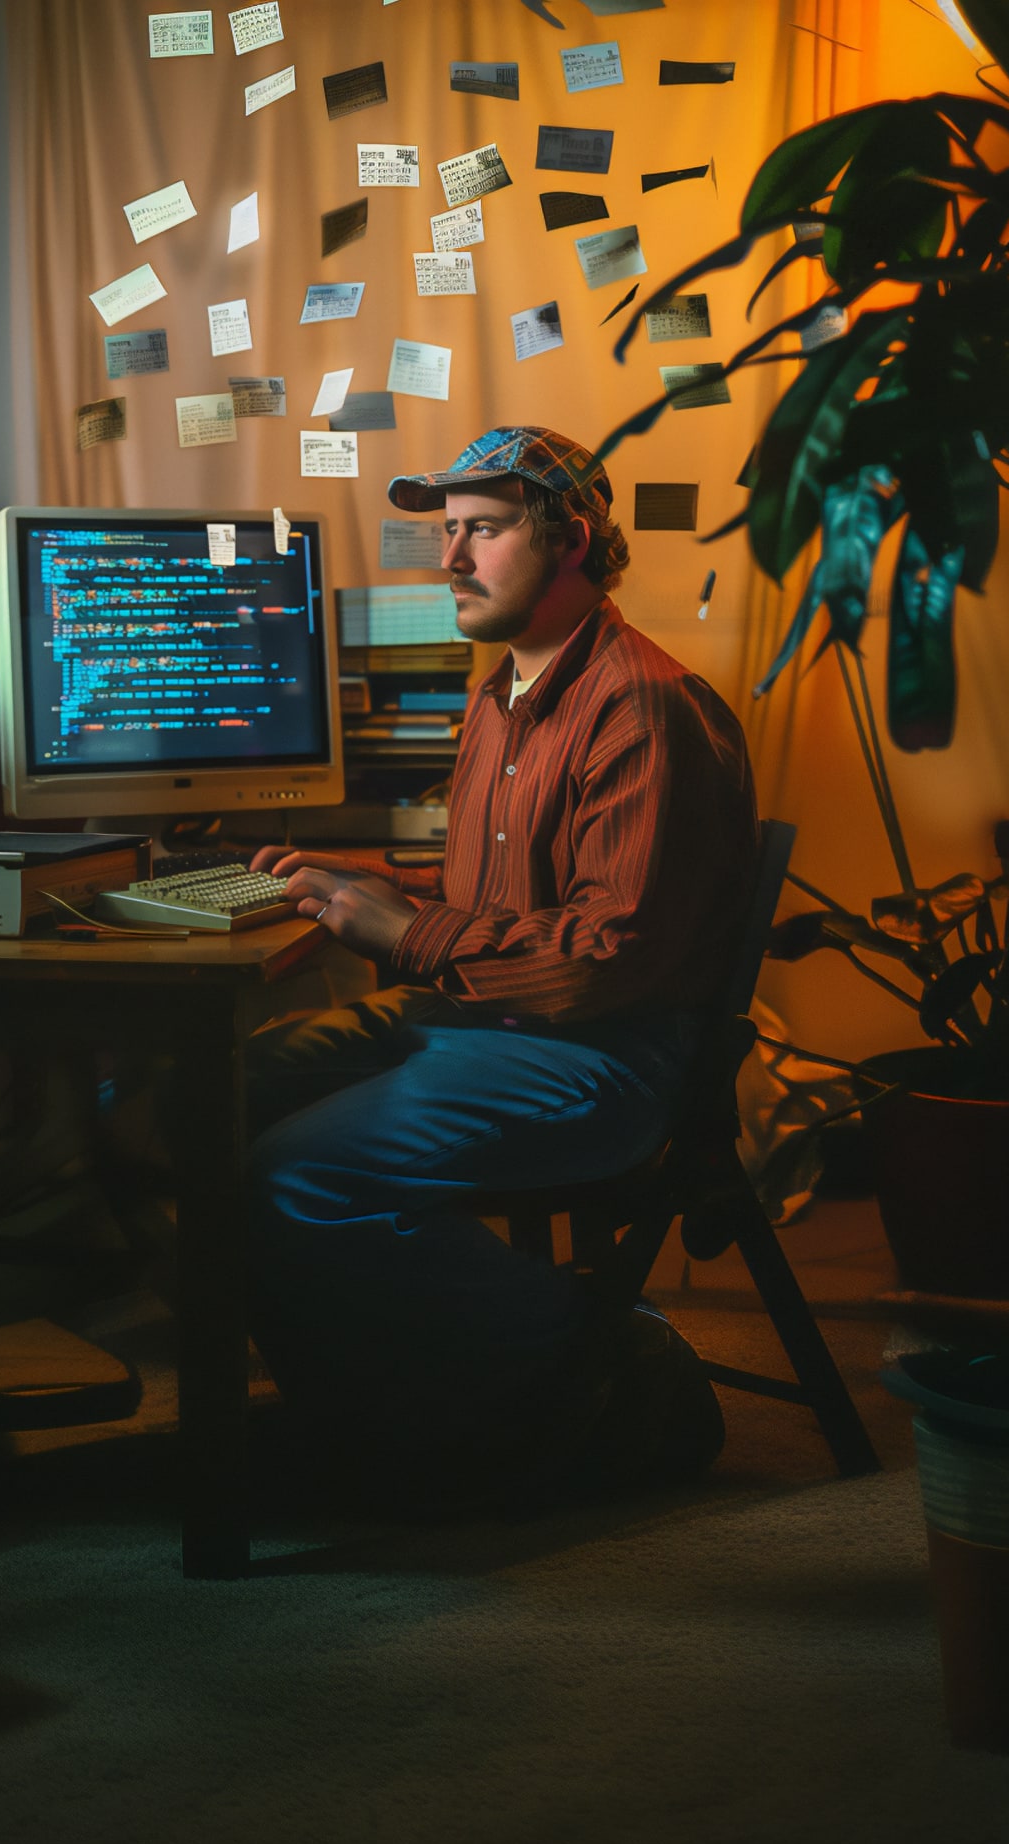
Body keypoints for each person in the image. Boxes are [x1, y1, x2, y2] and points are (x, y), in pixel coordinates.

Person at [241, 425, 759, 1504]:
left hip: (604, 1055)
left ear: (568, 539)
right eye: (445, 532)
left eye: (479, 530)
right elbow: (509, 912)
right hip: (486, 1025)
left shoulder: (641, 706)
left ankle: (603, 1356)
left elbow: (600, 960)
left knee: (298, 1173)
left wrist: (403, 930)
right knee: (212, 1098)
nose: (449, 559)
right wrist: (374, 881)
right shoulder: (501, 696)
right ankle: (378, 1406)